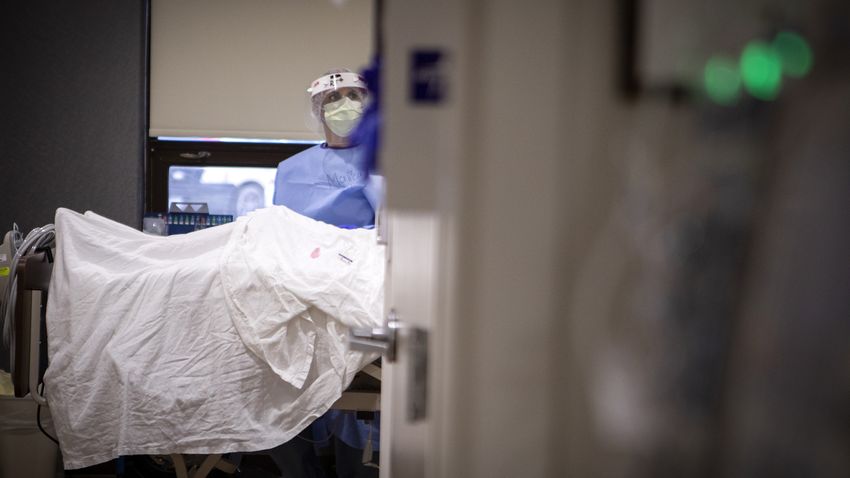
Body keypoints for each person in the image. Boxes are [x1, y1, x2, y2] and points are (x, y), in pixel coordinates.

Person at [271, 68, 382, 478]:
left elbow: (395, 230)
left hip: (361, 281)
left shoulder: (386, 163)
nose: (344, 105)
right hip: (301, 284)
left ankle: (359, 464)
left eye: (354, 95)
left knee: (360, 395)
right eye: (333, 98)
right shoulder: (291, 169)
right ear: (318, 110)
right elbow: (277, 232)